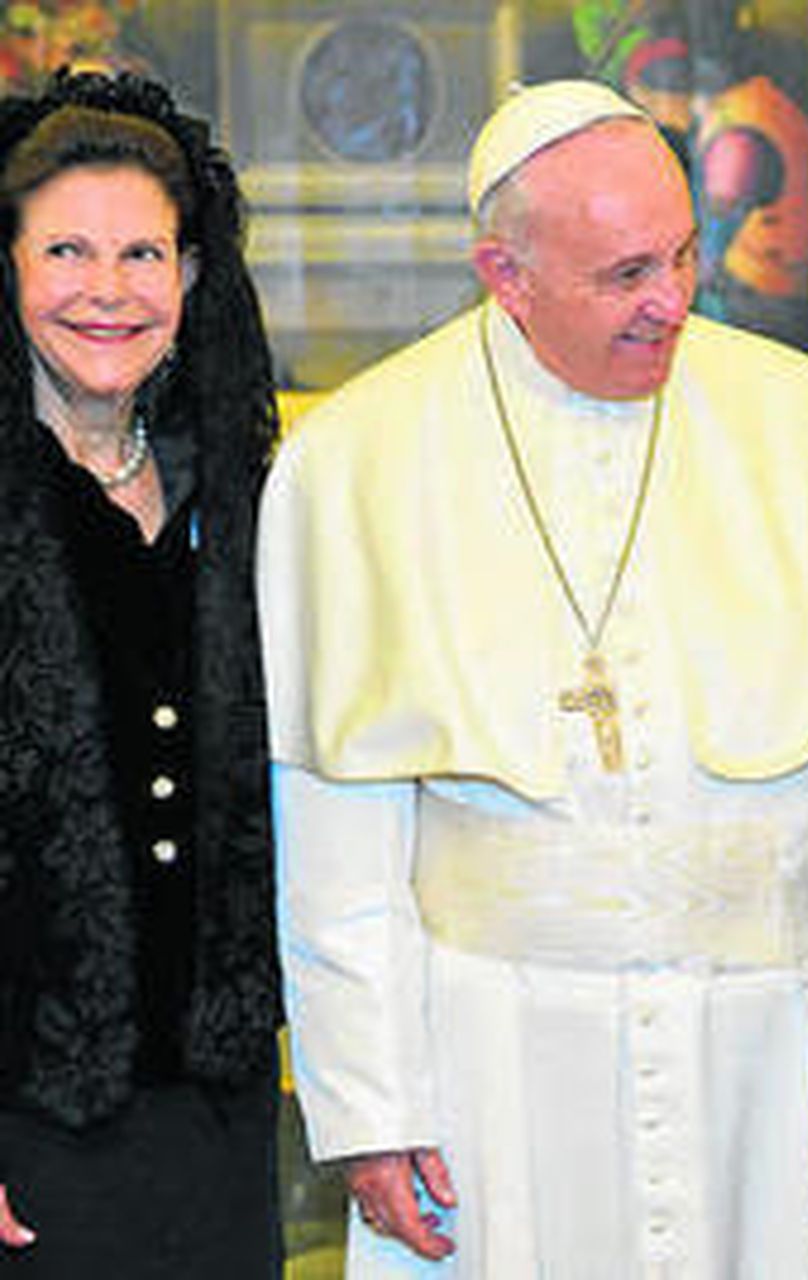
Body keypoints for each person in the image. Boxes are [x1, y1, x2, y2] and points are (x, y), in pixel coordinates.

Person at [259, 79, 808, 1278]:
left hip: (772, 1035)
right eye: (622, 276)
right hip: (503, 1057)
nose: (671, 303)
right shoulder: (358, 461)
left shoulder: (804, 420)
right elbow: (333, 819)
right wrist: (370, 1104)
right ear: (505, 273)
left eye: (683, 256)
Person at [0, 70, 281, 1277]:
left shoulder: (255, 497)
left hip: (217, 1121)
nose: (107, 290)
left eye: (143, 254)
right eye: (65, 249)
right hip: (26, 1122)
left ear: (193, 275)